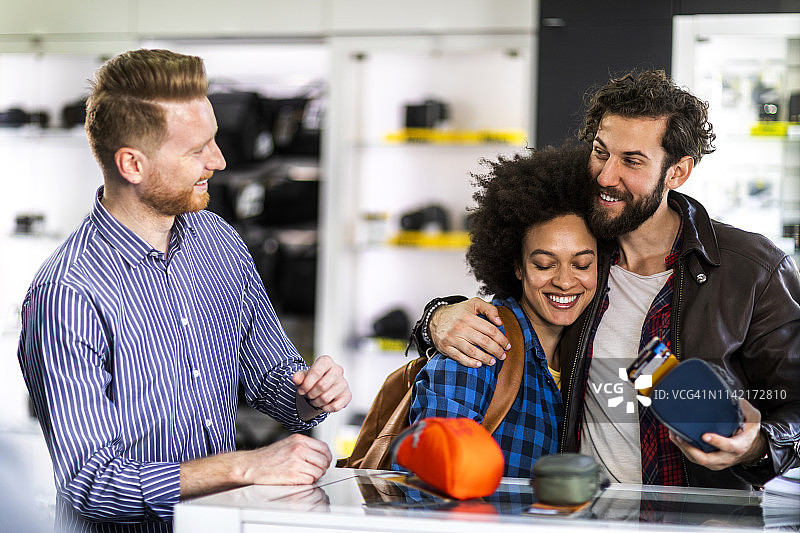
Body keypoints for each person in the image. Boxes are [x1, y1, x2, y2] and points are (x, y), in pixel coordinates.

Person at [410, 70, 800, 489]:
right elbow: (515, 307)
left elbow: (792, 403)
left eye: (631, 161)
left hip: (702, 514)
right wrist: (436, 317)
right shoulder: (580, 239)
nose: (605, 176)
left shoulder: (753, 270)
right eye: (600, 152)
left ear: (677, 172)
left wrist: (758, 444)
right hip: (583, 510)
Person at [16, 49, 351, 532]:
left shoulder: (218, 241)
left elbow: (270, 380)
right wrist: (244, 466)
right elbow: (92, 484)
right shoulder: (68, 294)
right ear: (132, 164)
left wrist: (309, 395)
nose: (219, 160)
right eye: (197, 150)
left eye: (214, 140)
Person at [408, 144, 596, 477]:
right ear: (517, 266)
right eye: (544, 264)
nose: (565, 281)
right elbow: (430, 480)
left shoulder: (592, 347)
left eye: (582, 264)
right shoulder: (480, 345)